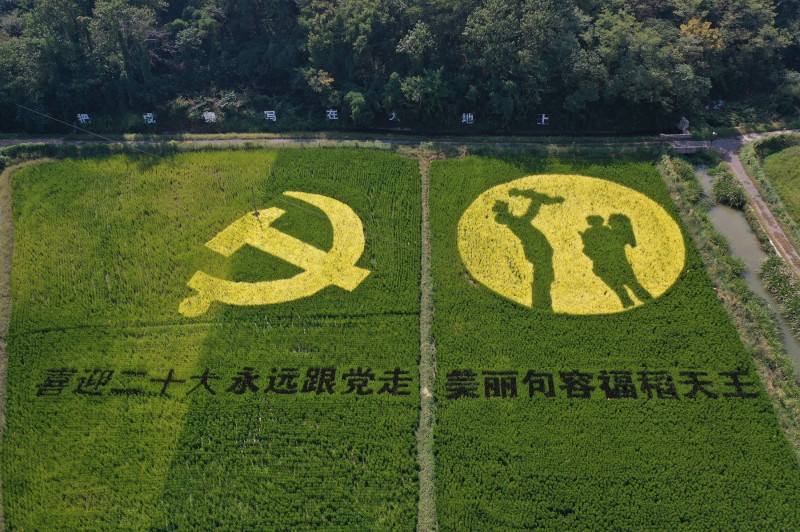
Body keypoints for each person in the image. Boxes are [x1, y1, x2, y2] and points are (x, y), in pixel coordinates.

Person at [493, 188, 564, 311]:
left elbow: (530, 213)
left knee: (544, 277)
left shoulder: (516, 223)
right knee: (543, 278)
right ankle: (542, 305)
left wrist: (535, 200)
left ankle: (541, 304)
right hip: (539, 251)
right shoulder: (516, 223)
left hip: (541, 250)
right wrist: (535, 200)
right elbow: (531, 214)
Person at [579, 213, 652, 308]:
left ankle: (632, 303)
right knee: (632, 285)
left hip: (607, 265)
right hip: (618, 263)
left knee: (620, 288)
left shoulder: (593, 234)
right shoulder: (609, 232)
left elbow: (588, 250)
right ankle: (646, 301)